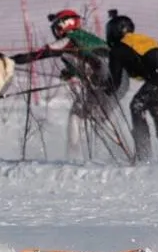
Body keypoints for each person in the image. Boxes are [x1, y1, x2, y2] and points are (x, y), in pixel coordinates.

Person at [11, 9, 118, 155]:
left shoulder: (71, 38)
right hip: (117, 83)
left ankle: (73, 157)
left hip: (103, 84)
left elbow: (41, 53)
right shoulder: (86, 38)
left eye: (57, 26)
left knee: (76, 116)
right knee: (100, 121)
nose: (55, 30)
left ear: (66, 24)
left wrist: (11, 60)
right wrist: (71, 72)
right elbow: (89, 58)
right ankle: (119, 154)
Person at [105, 9, 158, 163]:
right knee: (154, 105)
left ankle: (144, 154)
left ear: (113, 32)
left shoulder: (117, 49)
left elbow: (115, 84)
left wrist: (103, 88)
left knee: (137, 105)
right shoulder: (142, 39)